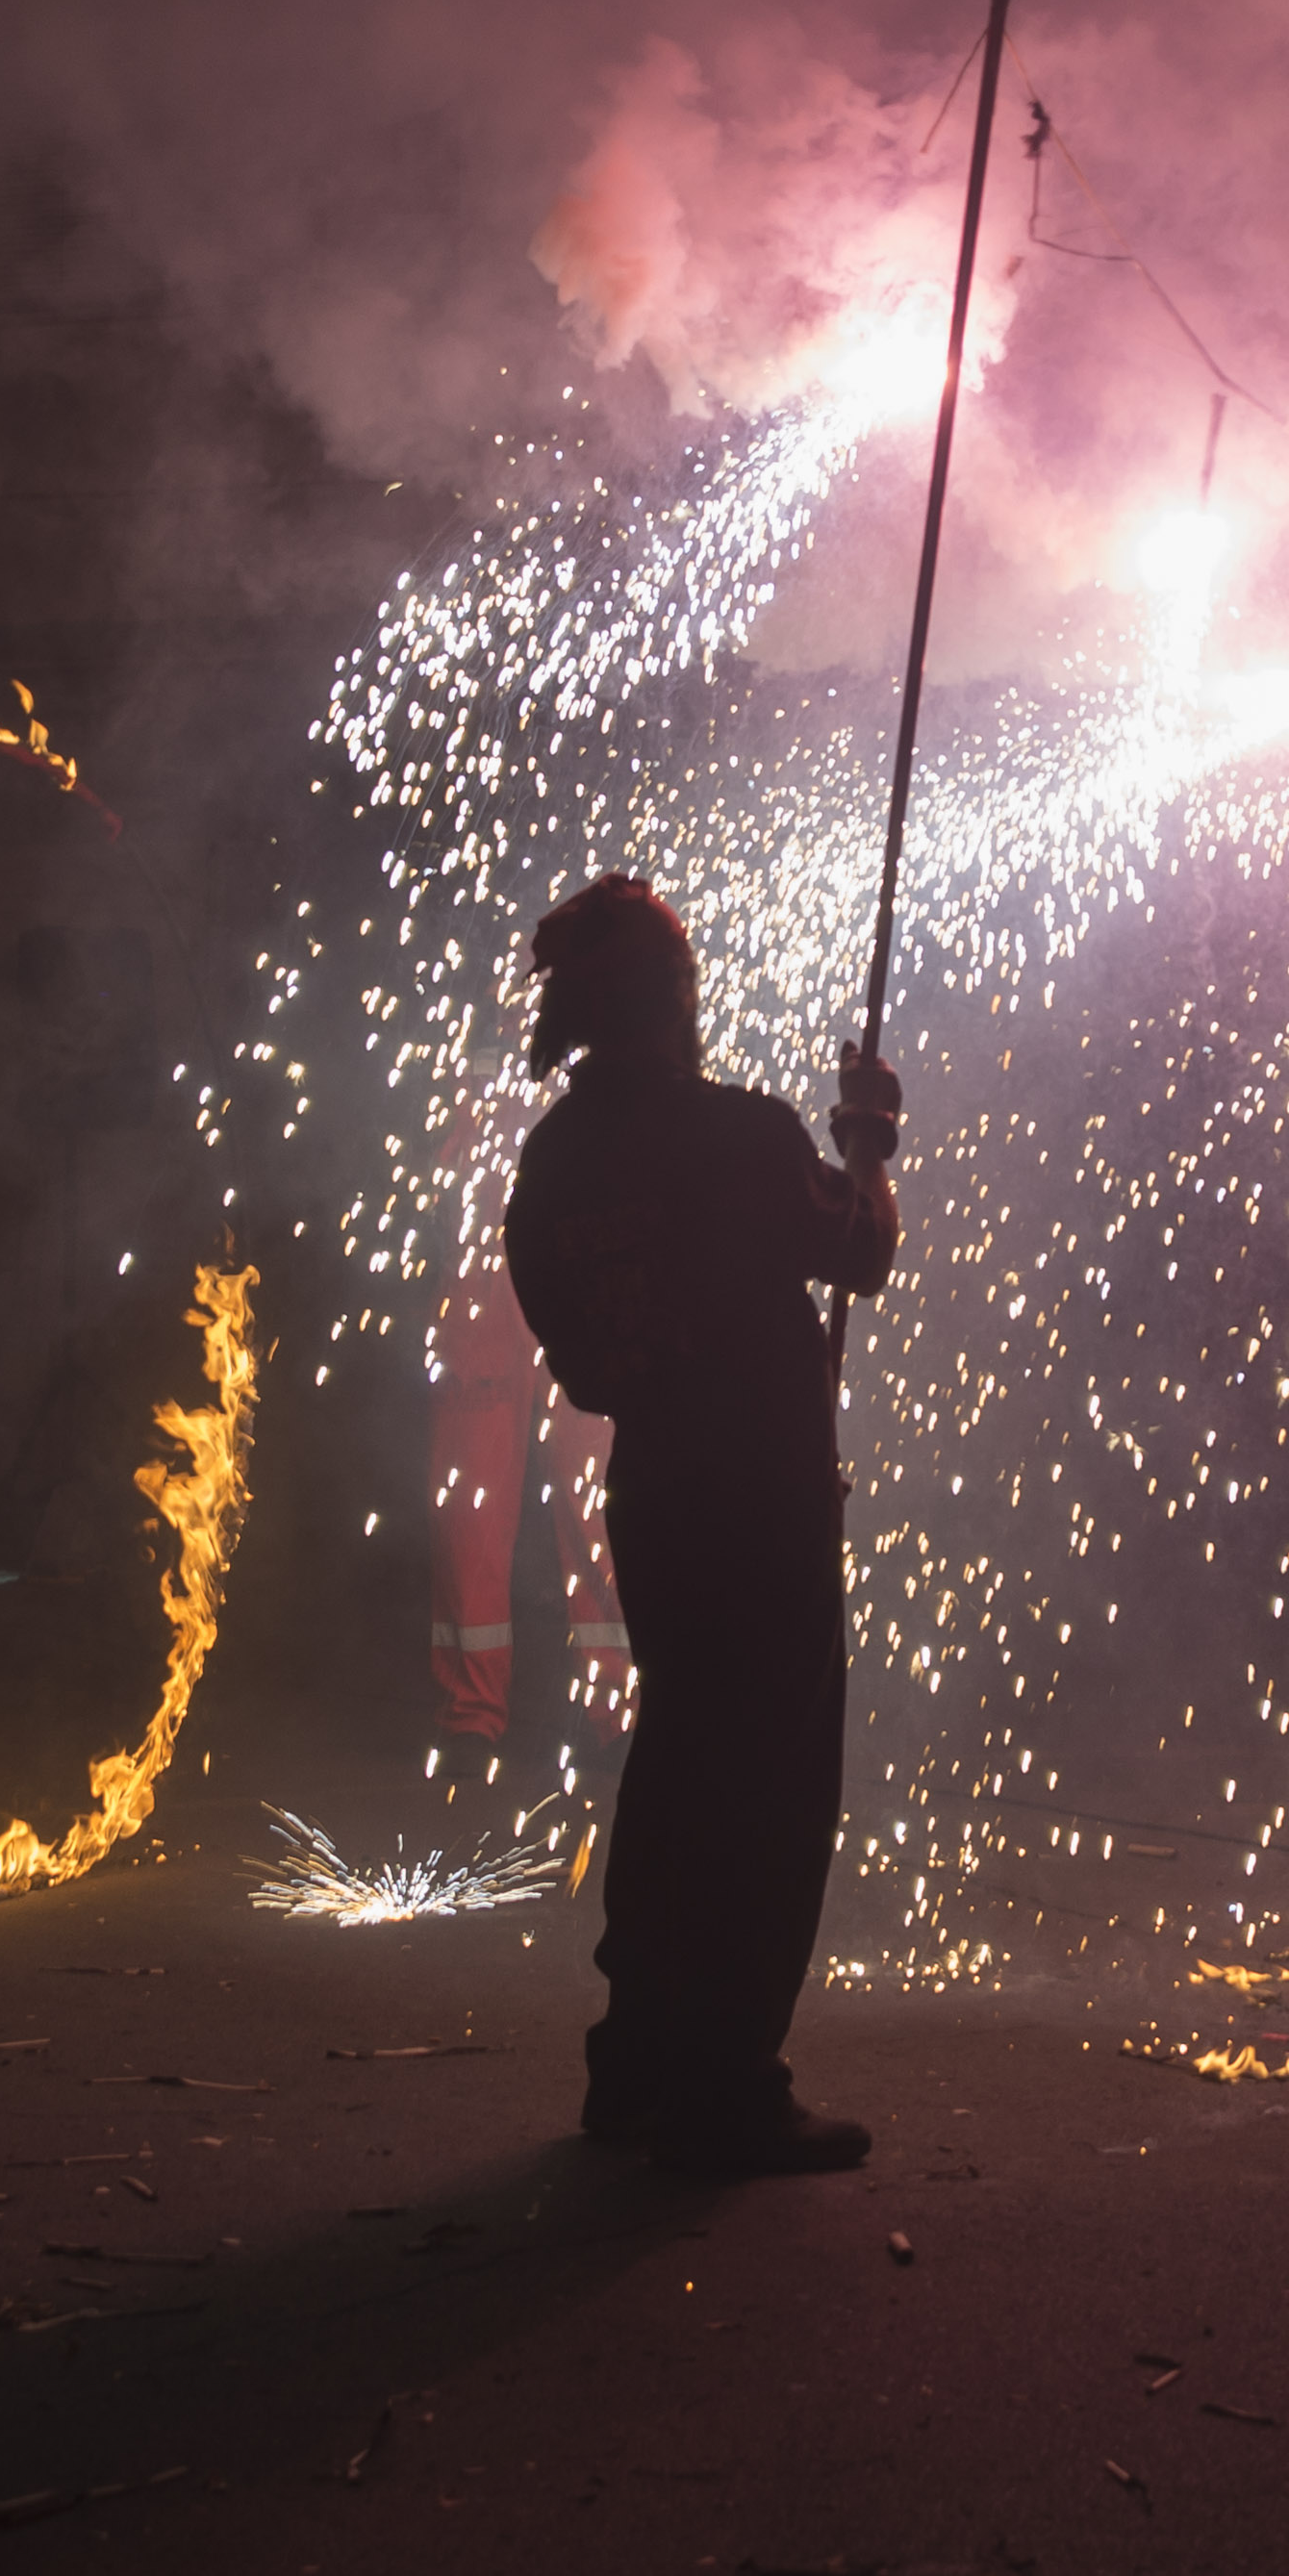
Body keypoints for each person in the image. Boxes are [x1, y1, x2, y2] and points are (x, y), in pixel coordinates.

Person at [500, 877, 897, 2175]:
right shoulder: (739, 1134)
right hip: (764, 1496)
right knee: (767, 1785)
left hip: (659, 1491)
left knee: (677, 1763)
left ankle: (635, 2068)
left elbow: (583, 1364)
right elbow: (862, 1249)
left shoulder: (553, 1165)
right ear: (671, 999)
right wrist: (867, 1141)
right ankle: (728, 2083)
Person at [422, 1085, 624, 1744]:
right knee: (467, 1502)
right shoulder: (470, 1037)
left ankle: (618, 1704)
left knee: (599, 1497)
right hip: (481, 1258)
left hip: (581, 1247)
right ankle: (469, 1708)